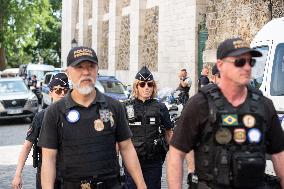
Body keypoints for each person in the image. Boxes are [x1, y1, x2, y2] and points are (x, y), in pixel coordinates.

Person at [167, 37, 284, 189]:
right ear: (220, 65)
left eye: (251, 62)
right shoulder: (199, 104)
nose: (247, 67)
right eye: (240, 62)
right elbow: (176, 153)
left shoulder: (264, 105)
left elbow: (279, 154)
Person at [38, 46, 146, 189]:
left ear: (97, 70)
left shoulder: (114, 107)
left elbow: (126, 147)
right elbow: (49, 159)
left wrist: (141, 184)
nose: (86, 72)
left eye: (91, 66)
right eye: (79, 67)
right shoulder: (54, 112)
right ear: (68, 72)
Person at [12, 73, 70, 189]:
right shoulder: (41, 117)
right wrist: (18, 174)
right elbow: (27, 146)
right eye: (58, 90)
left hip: (71, 173)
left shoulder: (75, 116)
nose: (62, 94)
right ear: (51, 92)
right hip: (46, 171)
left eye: (66, 90)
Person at [124, 66, 173, 189]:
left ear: (153, 87)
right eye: (142, 84)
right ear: (136, 86)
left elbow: (169, 133)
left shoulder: (161, 107)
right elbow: (119, 137)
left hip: (154, 161)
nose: (146, 87)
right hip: (132, 160)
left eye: (150, 84)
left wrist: (173, 157)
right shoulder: (126, 107)